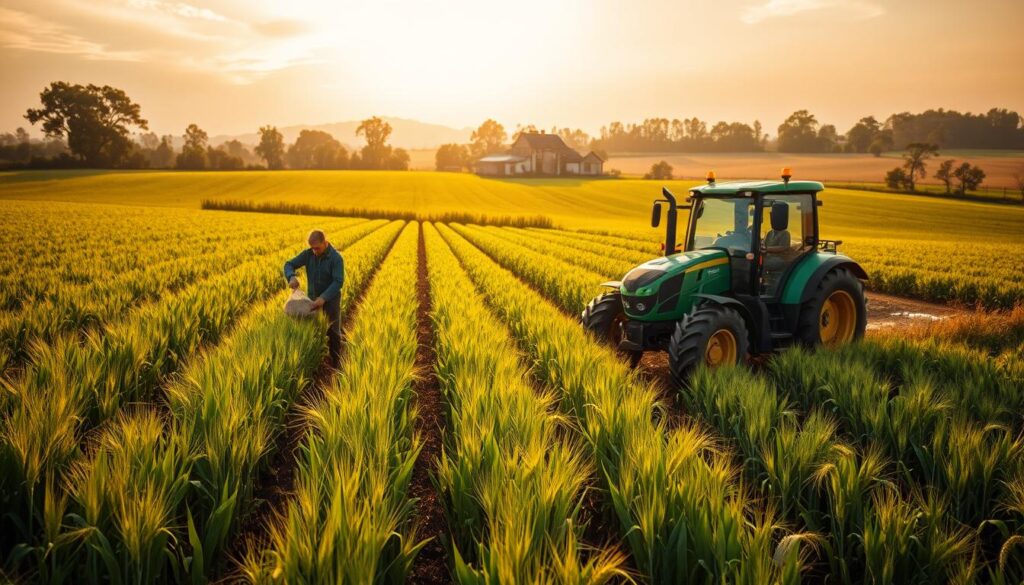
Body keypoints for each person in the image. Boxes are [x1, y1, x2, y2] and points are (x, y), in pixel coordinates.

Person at [284, 229, 345, 367]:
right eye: (312, 248)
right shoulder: (308, 255)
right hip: (311, 300)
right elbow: (289, 264)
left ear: (325, 242)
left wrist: (323, 298)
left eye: (317, 248)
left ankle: (336, 362)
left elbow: (338, 282)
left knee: (333, 330)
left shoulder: (336, 259)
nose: (314, 252)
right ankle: (317, 358)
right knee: (313, 329)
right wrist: (291, 276)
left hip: (331, 300)